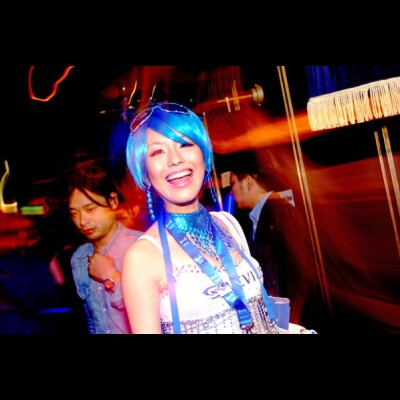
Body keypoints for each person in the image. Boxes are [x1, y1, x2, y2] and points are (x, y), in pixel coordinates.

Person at [121, 101, 315, 334]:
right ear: (145, 171)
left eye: (185, 144)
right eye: (158, 152)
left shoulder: (228, 224)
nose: (175, 159)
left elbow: (261, 316)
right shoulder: (142, 257)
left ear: (203, 155)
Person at [228, 148, 318, 325]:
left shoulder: (280, 214)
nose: (232, 191)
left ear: (248, 182)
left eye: (233, 183)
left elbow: (298, 276)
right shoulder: (259, 218)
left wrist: (288, 322)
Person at [67, 161, 143, 334]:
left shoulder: (139, 246)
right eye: (74, 213)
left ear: (113, 201)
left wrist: (111, 277)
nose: (82, 221)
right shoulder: (80, 258)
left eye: (90, 209)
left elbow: (157, 310)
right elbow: (92, 320)